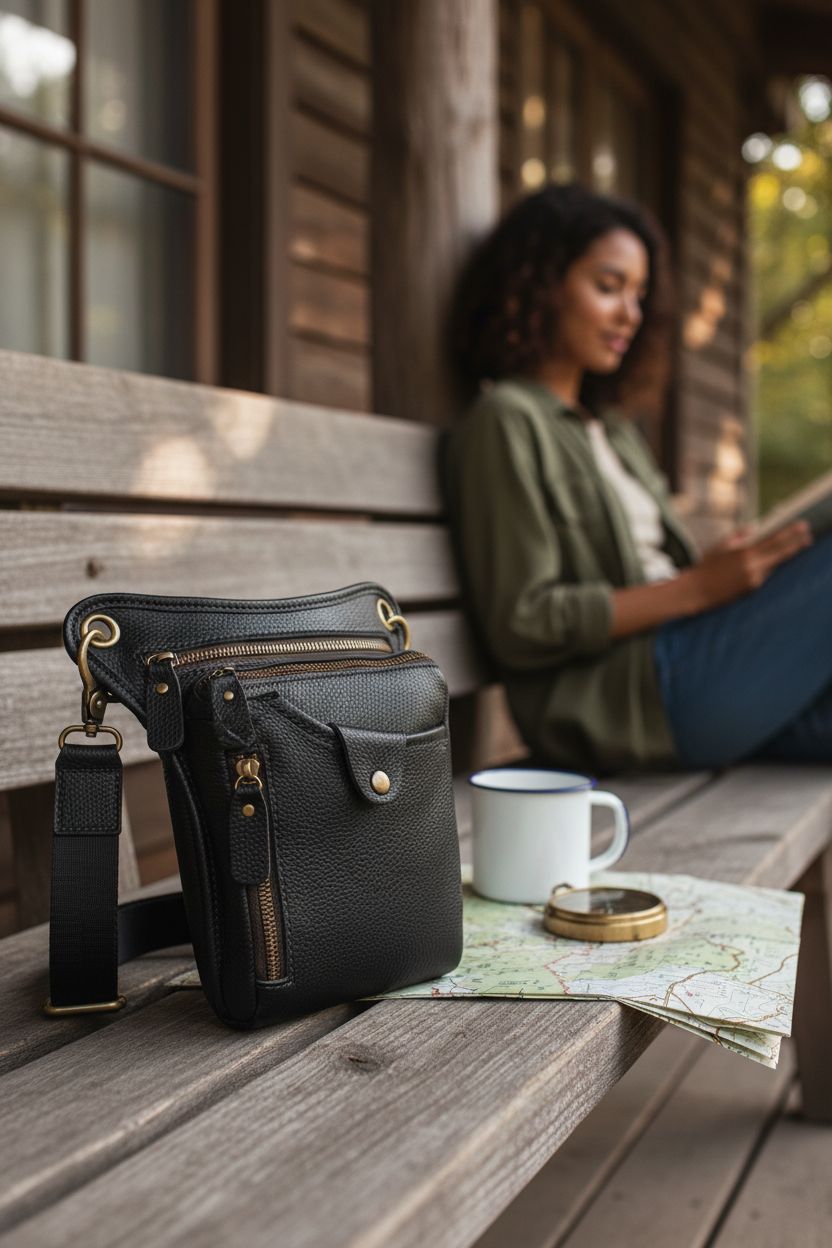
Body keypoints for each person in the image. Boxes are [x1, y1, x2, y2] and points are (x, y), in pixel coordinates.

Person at [444, 182, 831, 776]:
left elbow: (641, 574)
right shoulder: (505, 421)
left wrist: (722, 574)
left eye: (639, 294)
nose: (631, 314)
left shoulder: (615, 432)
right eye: (608, 287)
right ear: (540, 284)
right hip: (631, 700)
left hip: (689, 661)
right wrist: (701, 588)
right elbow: (521, 621)